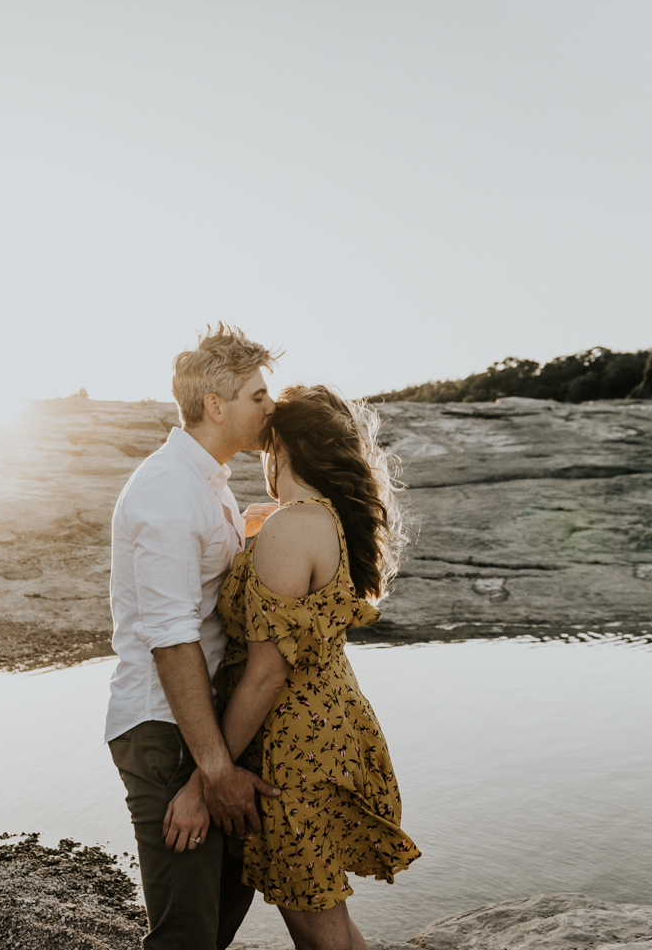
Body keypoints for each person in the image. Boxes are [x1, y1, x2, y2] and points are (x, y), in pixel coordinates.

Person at [167, 384, 420, 950]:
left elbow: (266, 674)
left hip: (294, 744)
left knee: (317, 928)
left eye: (266, 447)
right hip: (329, 724)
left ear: (280, 448)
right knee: (322, 910)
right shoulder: (318, 519)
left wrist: (202, 780)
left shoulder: (293, 525)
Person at [105, 323, 285, 950]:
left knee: (218, 918)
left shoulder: (209, 481)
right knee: (185, 935)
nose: (271, 407)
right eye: (258, 396)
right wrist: (212, 768)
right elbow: (172, 637)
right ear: (215, 405)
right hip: (165, 731)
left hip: (202, 725)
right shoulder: (168, 490)